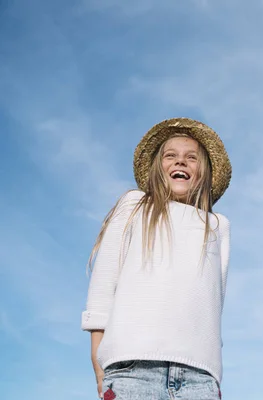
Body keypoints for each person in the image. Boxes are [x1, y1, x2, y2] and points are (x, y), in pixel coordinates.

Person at [81, 118, 232, 400]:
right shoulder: (135, 206)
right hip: (132, 368)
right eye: (170, 156)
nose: (181, 162)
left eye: (191, 158)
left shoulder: (217, 225)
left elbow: (215, 301)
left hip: (199, 377)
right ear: (157, 167)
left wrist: (212, 372)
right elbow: (104, 282)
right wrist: (97, 356)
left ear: (204, 172)